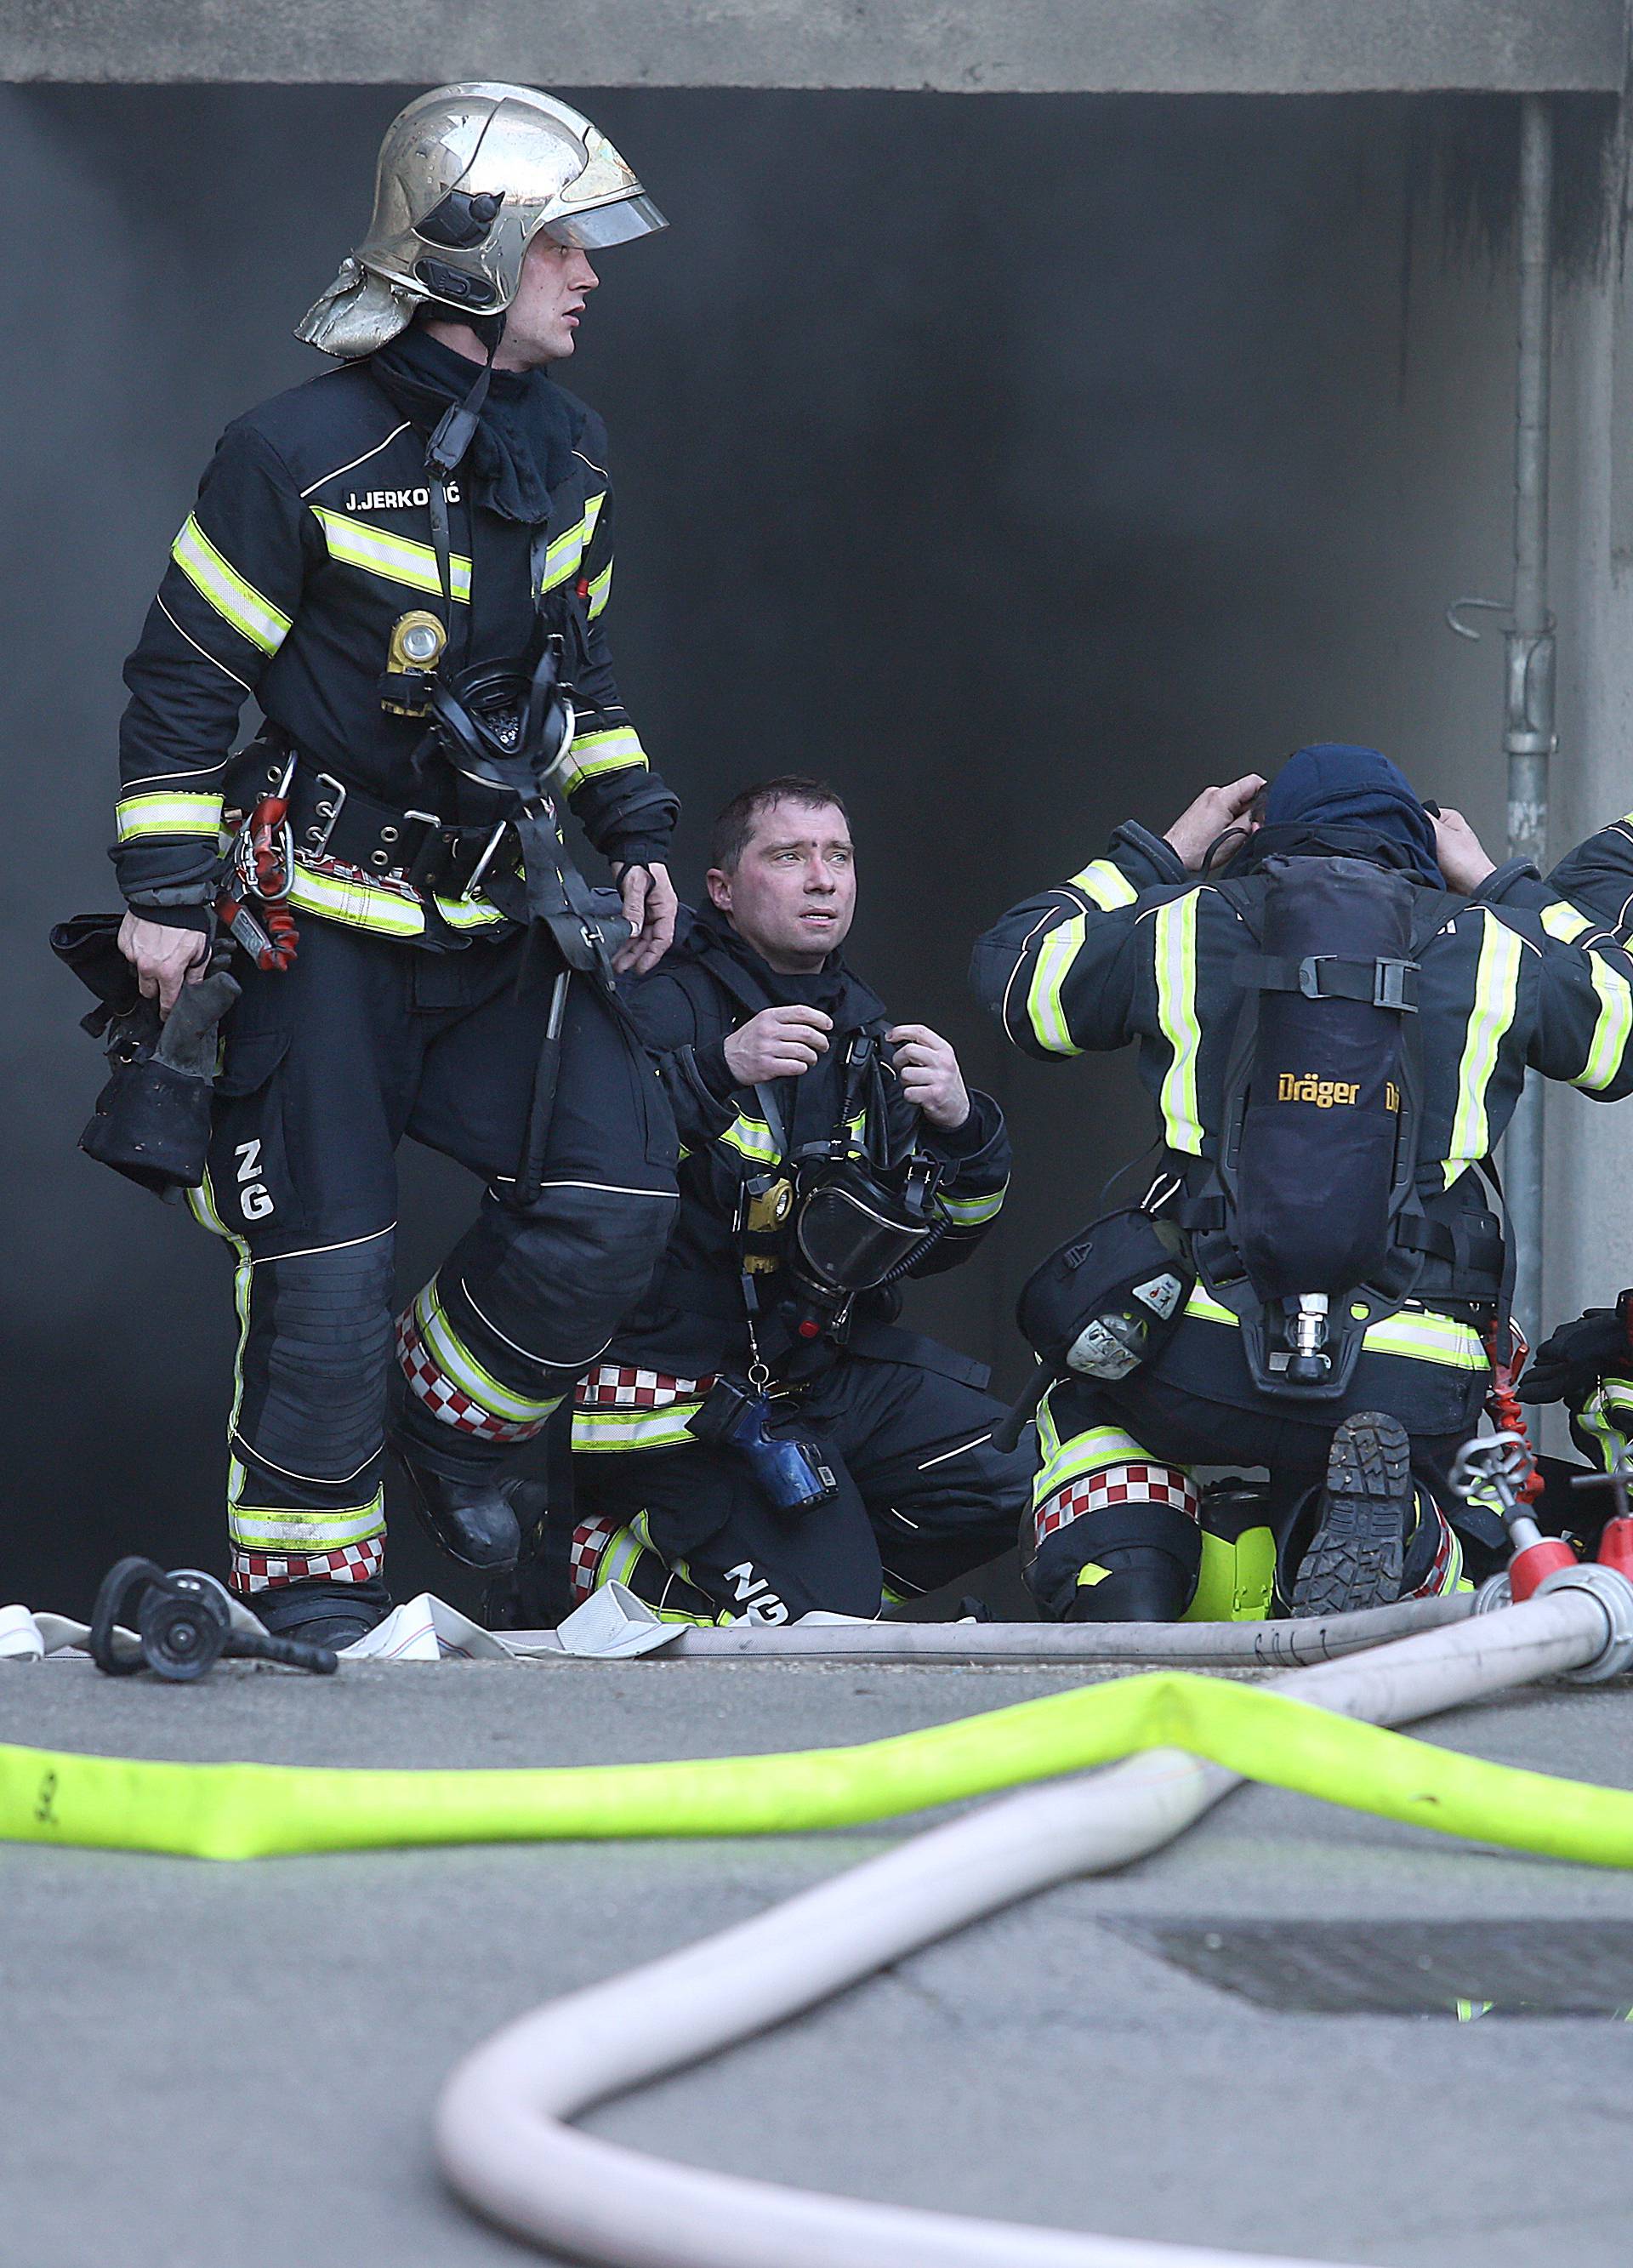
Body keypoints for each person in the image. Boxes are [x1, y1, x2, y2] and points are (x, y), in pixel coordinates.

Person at [110, 85, 682, 1647]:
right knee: (323, 1273)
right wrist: (166, 906)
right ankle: (313, 1596)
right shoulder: (285, 450)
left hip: (495, 918)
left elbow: (585, 687)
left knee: (620, 1188)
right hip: (318, 930)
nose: (589, 273)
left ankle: (450, 1420)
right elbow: (178, 685)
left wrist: (634, 829)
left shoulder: (570, 458)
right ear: (477, 253)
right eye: (562, 241)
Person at [971, 744, 1633, 1622]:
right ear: (1417, 848)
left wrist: (1156, 852)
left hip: (1198, 1359)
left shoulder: (1181, 921)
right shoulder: (1497, 950)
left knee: (1084, 1395)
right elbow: (1620, 1028)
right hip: (1414, 1371)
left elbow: (1018, 976)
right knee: (1467, 1488)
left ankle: (1127, 1571)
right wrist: (1500, 881)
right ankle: (1395, 1534)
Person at [557, 776, 1030, 1625]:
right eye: (789, 855)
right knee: (819, 1626)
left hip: (811, 1378)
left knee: (1016, 1472)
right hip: (671, 1396)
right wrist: (712, 1072)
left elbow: (945, 1241)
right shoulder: (653, 996)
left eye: (838, 856)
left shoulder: (864, 1030)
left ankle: (802, 1584)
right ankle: (593, 1556)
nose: (822, 878)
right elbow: (565, 1162)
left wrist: (963, 1129)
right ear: (722, 890)